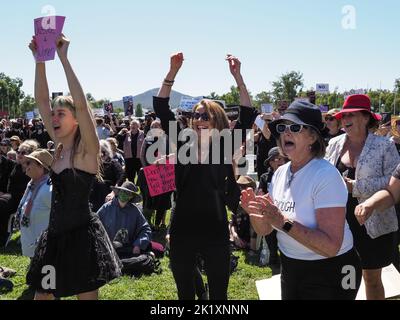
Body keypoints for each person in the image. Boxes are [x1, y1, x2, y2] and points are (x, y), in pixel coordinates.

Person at [153, 52, 257, 300]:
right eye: (197, 115)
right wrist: (172, 72)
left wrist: (238, 77)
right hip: (182, 228)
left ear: (217, 120)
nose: (199, 120)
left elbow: (246, 115)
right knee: (185, 294)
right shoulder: (182, 143)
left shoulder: (224, 146)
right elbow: (161, 107)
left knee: (219, 295)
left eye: (205, 115)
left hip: (216, 226)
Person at [27, 34, 121, 300]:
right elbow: (42, 100)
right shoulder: (57, 148)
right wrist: (40, 61)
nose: (53, 117)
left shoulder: (86, 151)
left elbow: (81, 105)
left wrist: (64, 58)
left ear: (77, 120)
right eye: (53, 114)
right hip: (54, 238)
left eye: (61, 114)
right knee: (42, 296)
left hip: (82, 238)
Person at [241, 101, 362, 300]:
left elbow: (331, 246)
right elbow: (265, 230)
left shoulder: (325, 176)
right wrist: (256, 213)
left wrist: (282, 222)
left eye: (295, 127)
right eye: (282, 127)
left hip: (333, 270)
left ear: (313, 137)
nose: (286, 133)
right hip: (291, 266)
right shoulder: (279, 173)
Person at [325, 94, 400, 300]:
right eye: (343, 115)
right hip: (339, 222)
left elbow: (394, 184)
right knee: (344, 276)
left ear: (366, 118)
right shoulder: (334, 144)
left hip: (372, 221)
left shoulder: (384, 146)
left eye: (351, 115)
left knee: (371, 279)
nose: (344, 119)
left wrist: (355, 187)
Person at [97, 181, 151, 258]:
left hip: (127, 250)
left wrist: (138, 244)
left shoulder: (135, 211)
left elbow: (145, 229)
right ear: (118, 192)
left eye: (128, 193)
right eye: (123, 191)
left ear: (131, 197)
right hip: (107, 249)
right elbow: (95, 225)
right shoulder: (106, 207)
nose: (124, 194)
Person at [0, 140, 38, 246]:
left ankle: (4, 235)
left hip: (26, 199)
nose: (19, 154)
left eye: (23, 152)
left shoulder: (34, 167)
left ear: (31, 154)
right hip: (11, 196)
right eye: (18, 151)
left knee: (2, 205)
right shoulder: (16, 166)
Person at [16, 149, 52, 258]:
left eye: (28, 162)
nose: (25, 165)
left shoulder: (49, 189)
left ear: (41, 166)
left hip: (45, 251)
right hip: (33, 248)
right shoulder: (32, 185)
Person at [230, 176, 258, 254]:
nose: (241, 189)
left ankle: (252, 248)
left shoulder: (256, 203)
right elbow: (233, 223)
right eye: (240, 186)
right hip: (240, 236)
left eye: (245, 187)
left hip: (253, 239)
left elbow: (256, 228)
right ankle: (235, 241)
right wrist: (235, 236)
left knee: (254, 219)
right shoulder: (237, 203)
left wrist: (252, 247)